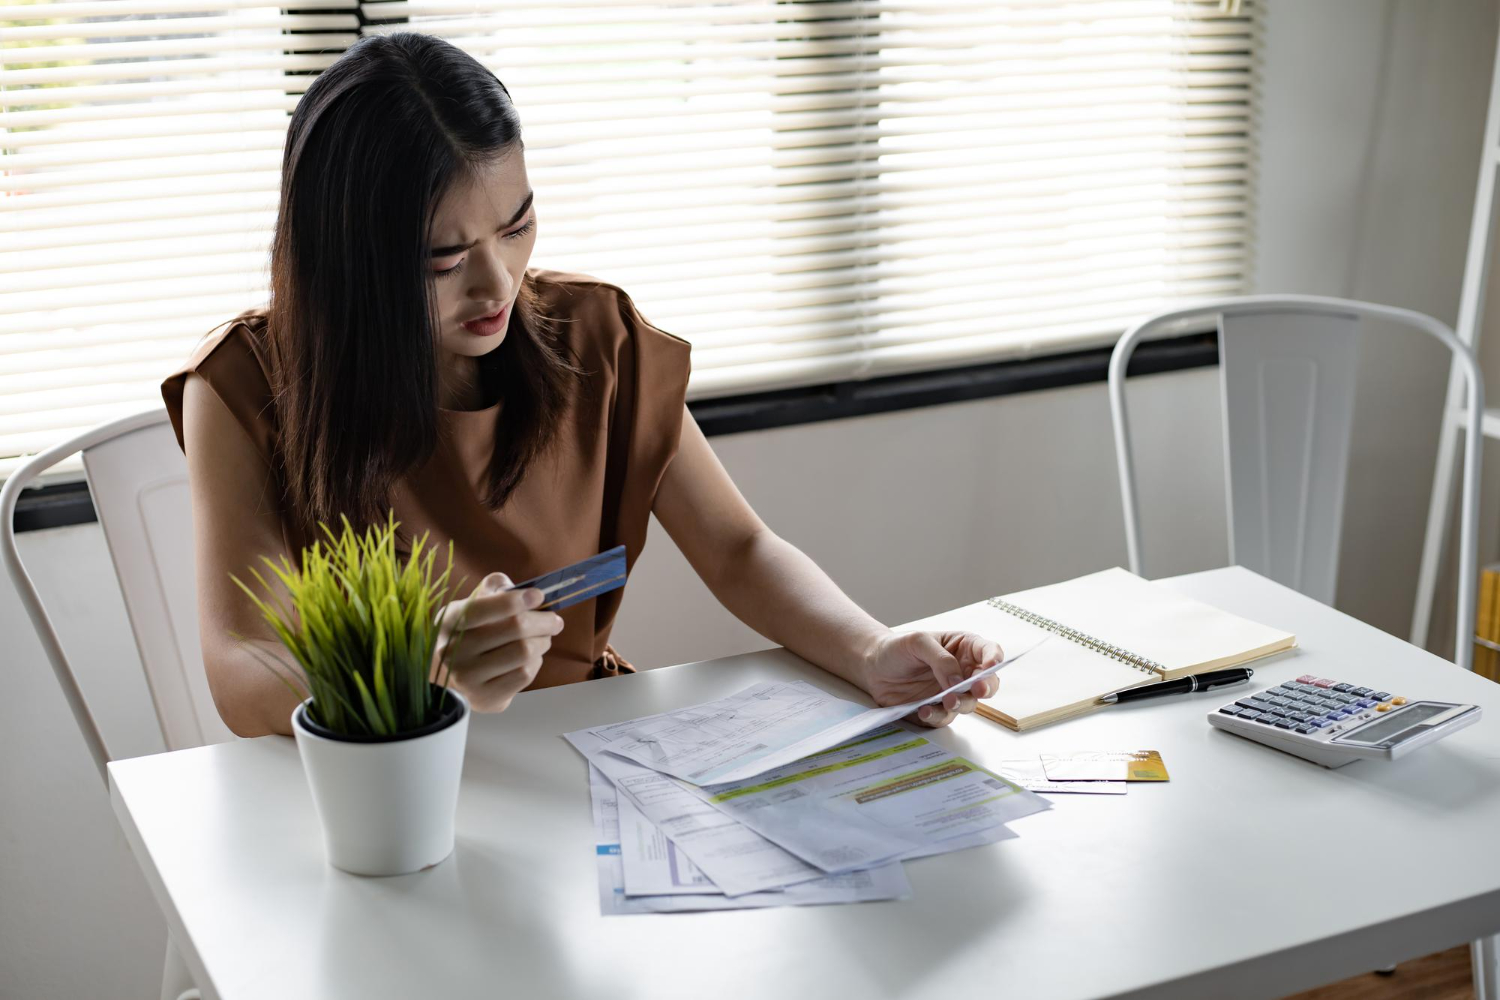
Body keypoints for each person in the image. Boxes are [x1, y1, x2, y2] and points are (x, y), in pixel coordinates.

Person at [163, 31, 1002, 738]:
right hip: (382, 774)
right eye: (441, 260)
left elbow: (740, 551)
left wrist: (869, 651)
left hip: (587, 759)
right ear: (347, 259)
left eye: (517, 224)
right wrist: (419, 670)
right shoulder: (243, 386)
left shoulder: (596, 338)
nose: (496, 286)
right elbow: (243, 671)